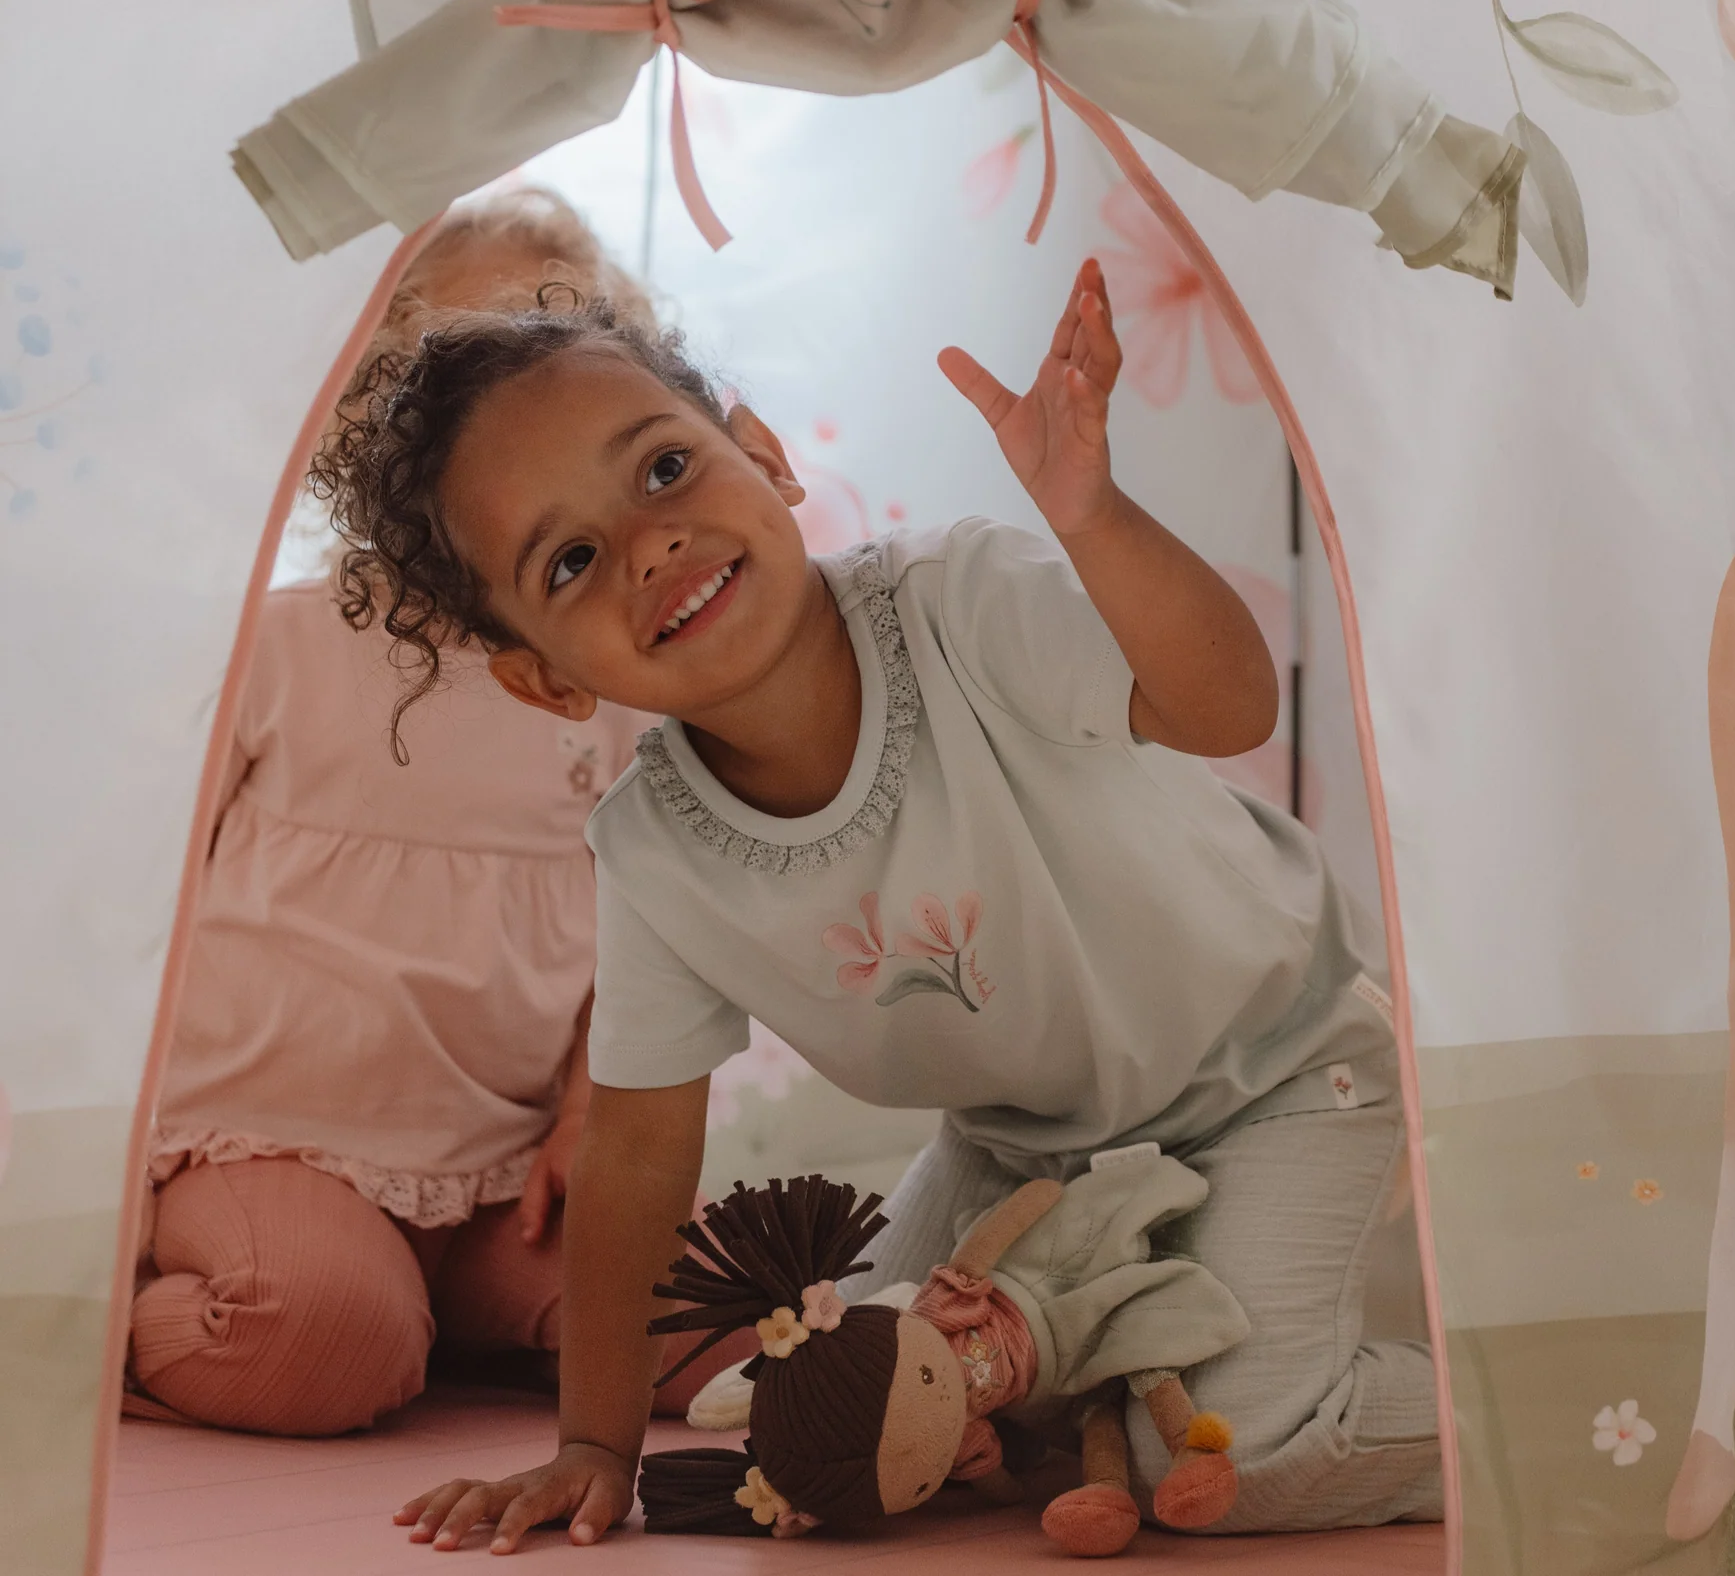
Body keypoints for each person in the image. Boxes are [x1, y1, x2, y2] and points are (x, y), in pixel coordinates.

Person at [303, 258, 1439, 1551]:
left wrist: (1092, 513)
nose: (648, 543)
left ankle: (1462, 1400)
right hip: (1024, 1154)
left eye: (666, 471)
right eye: (569, 560)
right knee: (824, 1423)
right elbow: (636, 1153)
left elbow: (1229, 707)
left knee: (1254, 1462)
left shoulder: (961, 605)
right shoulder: (657, 852)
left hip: (1277, 1068)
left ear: (765, 456)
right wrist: (593, 1446)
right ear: (543, 679)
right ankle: (1102, 1394)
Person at [129, 189, 743, 1437]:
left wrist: (587, 1112)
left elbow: (650, 933)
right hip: (262, 1141)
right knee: (315, 1336)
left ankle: (450, 1316)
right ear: (375, 428)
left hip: (493, 1176)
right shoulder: (285, 645)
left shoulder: (621, 684)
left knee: (717, 1320)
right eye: (464, 382)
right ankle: (130, 1320)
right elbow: (141, 891)